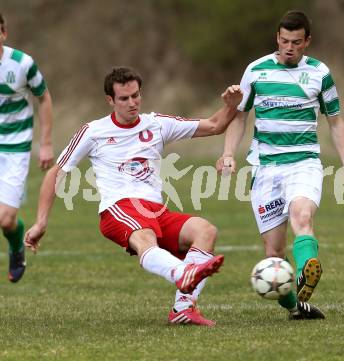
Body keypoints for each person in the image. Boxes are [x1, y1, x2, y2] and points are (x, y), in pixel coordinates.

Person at [25, 66, 242, 327]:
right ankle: (183, 273)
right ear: (110, 100)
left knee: (205, 231)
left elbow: (215, 125)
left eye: (136, 96)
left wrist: (232, 105)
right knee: (144, 237)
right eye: (124, 99)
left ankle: (183, 307)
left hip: (155, 211)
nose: (132, 103)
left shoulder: (157, 124)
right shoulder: (94, 131)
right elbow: (55, 173)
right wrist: (40, 222)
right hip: (119, 208)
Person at [216, 10, 344, 319]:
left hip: (304, 163)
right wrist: (228, 153)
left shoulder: (319, 73)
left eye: (297, 42)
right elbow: (239, 116)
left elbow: (335, 122)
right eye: (284, 41)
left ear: (307, 42)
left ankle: (307, 275)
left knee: (303, 216)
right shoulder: (256, 71)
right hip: (266, 168)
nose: (289, 47)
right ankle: (297, 306)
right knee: (273, 255)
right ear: (277, 39)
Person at [0, 13, 54, 283]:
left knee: (6, 221)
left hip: (16, 147)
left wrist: (45, 143)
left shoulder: (22, 64)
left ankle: (16, 244)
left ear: (4, 33)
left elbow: (44, 98)